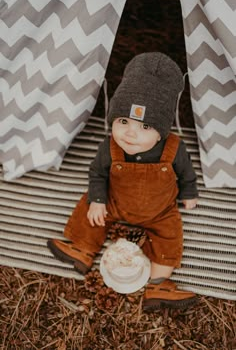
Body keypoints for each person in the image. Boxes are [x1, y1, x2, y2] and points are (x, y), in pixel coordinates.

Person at [48, 52, 199, 310]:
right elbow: (97, 173)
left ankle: (158, 283)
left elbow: (186, 173)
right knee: (90, 208)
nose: (130, 133)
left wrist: (188, 193)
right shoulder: (110, 147)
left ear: (161, 131)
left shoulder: (174, 148)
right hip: (116, 202)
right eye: (123, 121)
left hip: (158, 211)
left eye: (145, 127)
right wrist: (97, 200)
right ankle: (83, 248)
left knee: (170, 236)